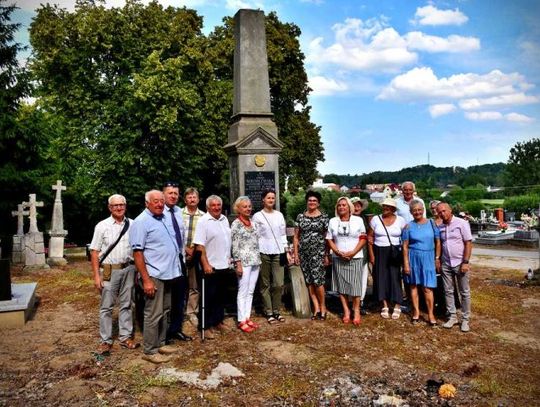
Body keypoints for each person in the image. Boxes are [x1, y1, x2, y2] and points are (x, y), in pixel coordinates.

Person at [130, 190, 181, 363]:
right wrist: (146, 280)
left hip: (169, 273)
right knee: (153, 313)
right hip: (154, 275)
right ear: (147, 203)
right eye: (155, 201)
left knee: (165, 310)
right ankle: (150, 350)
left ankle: (161, 343)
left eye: (161, 201)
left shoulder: (164, 217)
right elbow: (137, 253)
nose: (160, 204)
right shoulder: (141, 222)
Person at [90, 194, 139, 354]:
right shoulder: (102, 226)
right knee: (106, 307)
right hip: (110, 271)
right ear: (110, 208)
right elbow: (95, 252)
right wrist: (97, 276)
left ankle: (125, 337)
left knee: (127, 304)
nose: (119, 208)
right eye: (115, 205)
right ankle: (105, 340)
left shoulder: (133, 224)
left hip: (129, 269)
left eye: (121, 205)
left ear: (125, 206)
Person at [193, 195, 231, 340]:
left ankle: (217, 321)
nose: (216, 207)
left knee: (220, 296)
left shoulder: (224, 219)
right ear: (208, 207)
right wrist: (205, 264)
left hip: (224, 264)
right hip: (211, 265)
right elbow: (200, 245)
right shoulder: (204, 221)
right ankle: (205, 325)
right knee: (208, 297)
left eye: (218, 205)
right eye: (213, 205)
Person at [326, 197, 367, 325]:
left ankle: (356, 311)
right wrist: (337, 252)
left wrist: (353, 252)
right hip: (339, 257)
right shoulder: (333, 221)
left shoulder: (358, 220)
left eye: (344, 205)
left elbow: (363, 238)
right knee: (341, 286)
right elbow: (329, 239)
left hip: (355, 256)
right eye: (339, 205)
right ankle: (346, 311)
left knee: (355, 286)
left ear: (349, 207)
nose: (342, 207)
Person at [402, 199, 441, 326]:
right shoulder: (408, 226)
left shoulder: (431, 223)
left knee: (427, 288)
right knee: (413, 286)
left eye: (419, 210)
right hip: (413, 257)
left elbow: (438, 242)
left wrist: (437, 258)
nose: (417, 212)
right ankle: (416, 313)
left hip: (428, 257)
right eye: (414, 210)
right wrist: (406, 263)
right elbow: (405, 246)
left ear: (423, 210)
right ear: (411, 212)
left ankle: (430, 314)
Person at [252, 189, 288, 324]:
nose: (271, 200)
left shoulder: (279, 215)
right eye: (268, 198)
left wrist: (286, 250)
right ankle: (269, 311)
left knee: (279, 283)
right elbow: (255, 235)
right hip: (263, 252)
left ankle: (277, 310)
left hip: (278, 251)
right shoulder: (257, 216)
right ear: (263, 200)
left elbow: (283, 234)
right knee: (265, 283)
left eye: (273, 198)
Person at [162, 181, 192, 342]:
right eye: (170, 193)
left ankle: (175, 329)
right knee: (166, 298)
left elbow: (180, 235)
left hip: (180, 261)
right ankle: (164, 332)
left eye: (175, 193)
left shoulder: (179, 212)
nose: (173, 196)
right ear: (163, 194)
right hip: (165, 262)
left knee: (179, 297)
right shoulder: (159, 213)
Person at [436, 202, 473, 332]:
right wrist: (438, 260)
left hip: (460, 262)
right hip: (446, 263)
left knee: (464, 292)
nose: (442, 213)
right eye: (439, 212)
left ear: (450, 210)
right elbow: (440, 245)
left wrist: (466, 262)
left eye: (444, 211)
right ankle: (452, 316)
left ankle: (465, 319)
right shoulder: (440, 227)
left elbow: (468, 243)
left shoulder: (461, 223)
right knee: (448, 291)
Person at [293, 190, 330, 320]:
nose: (312, 202)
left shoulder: (324, 217)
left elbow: (327, 237)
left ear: (318, 203)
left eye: (314, 200)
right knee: (309, 281)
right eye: (310, 200)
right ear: (307, 202)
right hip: (304, 254)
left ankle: (323, 308)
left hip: (318, 254)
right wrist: (296, 254)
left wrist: (326, 255)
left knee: (318, 281)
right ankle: (316, 308)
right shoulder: (300, 217)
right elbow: (296, 237)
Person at [368, 198, 407, 319]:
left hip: (395, 251)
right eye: (384, 206)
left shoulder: (401, 220)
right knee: (380, 277)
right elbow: (370, 238)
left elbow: (406, 238)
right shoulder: (376, 219)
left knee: (395, 277)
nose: (385, 209)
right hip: (379, 251)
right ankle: (384, 304)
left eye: (388, 207)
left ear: (394, 209)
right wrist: (372, 255)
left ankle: (397, 304)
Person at [231, 196, 261, 333]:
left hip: (255, 260)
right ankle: (241, 320)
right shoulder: (236, 224)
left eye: (249, 206)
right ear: (238, 208)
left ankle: (247, 317)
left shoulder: (253, 222)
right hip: (243, 262)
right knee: (242, 291)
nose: (248, 209)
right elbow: (234, 245)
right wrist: (237, 263)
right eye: (245, 206)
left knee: (250, 291)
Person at [182, 187, 205, 328]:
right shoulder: (178, 214)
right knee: (179, 284)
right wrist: (185, 248)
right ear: (185, 199)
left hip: (195, 254)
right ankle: (178, 310)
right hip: (179, 252)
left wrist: (194, 250)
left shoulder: (203, 216)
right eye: (189, 197)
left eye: (194, 197)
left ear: (198, 199)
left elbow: (204, 236)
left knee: (194, 285)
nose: (192, 199)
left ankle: (192, 311)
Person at [350, 197, 371, 306]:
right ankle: (351, 299)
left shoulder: (364, 218)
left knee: (363, 274)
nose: (357, 207)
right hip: (351, 249)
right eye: (354, 205)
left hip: (363, 250)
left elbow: (369, 233)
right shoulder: (346, 218)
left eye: (359, 205)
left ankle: (361, 299)